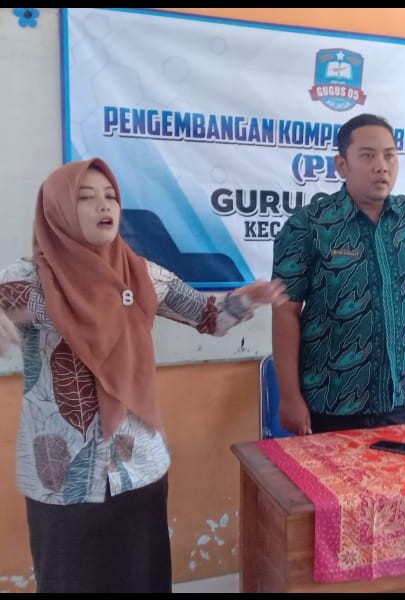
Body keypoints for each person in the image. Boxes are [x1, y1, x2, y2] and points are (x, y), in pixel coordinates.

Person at [0, 157, 287, 593]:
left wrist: (245, 300)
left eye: (110, 197)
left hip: (138, 465)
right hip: (61, 474)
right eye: (85, 197)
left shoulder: (143, 274)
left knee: (143, 580)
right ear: (57, 210)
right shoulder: (29, 280)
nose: (104, 206)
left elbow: (208, 317)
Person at [271, 113, 405, 435]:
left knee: (400, 471)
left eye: (389, 156)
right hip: (329, 401)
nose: (382, 166)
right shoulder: (308, 225)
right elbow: (285, 312)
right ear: (342, 165)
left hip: (401, 399)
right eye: (367, 156)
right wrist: (289, 396)